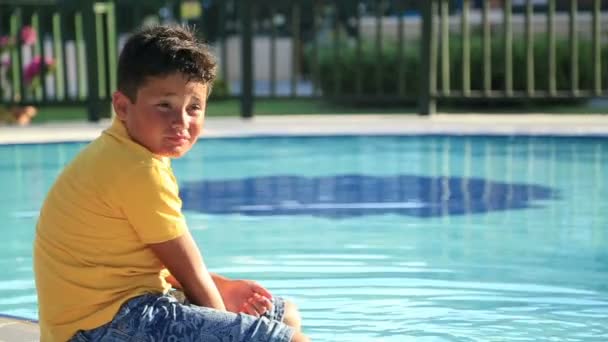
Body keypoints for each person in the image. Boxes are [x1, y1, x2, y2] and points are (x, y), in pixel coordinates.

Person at [33, 24, 310, 342]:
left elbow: (156, 267)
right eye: (164, 106)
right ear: (123, 106)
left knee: (285, 314)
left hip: (116, 314)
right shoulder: (137, 169)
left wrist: (226, 287)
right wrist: (232, 330)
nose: (181, 122)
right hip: (104, 327)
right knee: (286, 339)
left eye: (194, 108)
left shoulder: (121, 150)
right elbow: (189, 274)